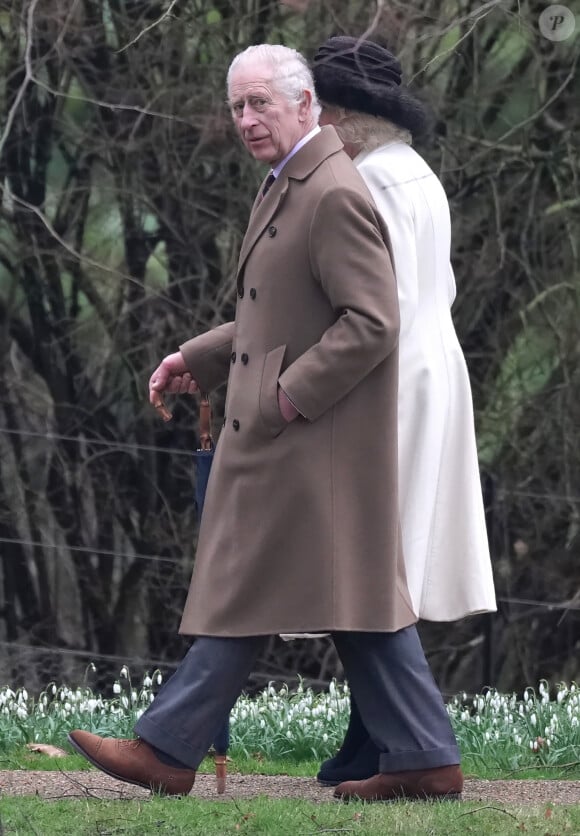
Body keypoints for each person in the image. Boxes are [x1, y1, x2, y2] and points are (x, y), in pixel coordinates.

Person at [68, 43, 464, 803]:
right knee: (356, 599)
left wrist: (287, 397)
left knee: (252, 584)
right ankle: (421, 757)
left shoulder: (334, 192)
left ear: (307, 103)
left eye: (262, 104)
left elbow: (373, 322)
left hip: (310, 439)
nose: (248, 120)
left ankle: (166, 750)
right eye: (238, 107)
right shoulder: (292, 180)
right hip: (290, 436)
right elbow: (278, 311)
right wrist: (198, 357)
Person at [309, 36, 496, 788]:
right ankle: (377, 741)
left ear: (347, 115)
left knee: (371, 564)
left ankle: (408, 746)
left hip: (390, 382)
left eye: (319, 105)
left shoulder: (369, 185)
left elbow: (374, 308)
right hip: (429, 370)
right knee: (386, 563)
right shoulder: (410, 172)